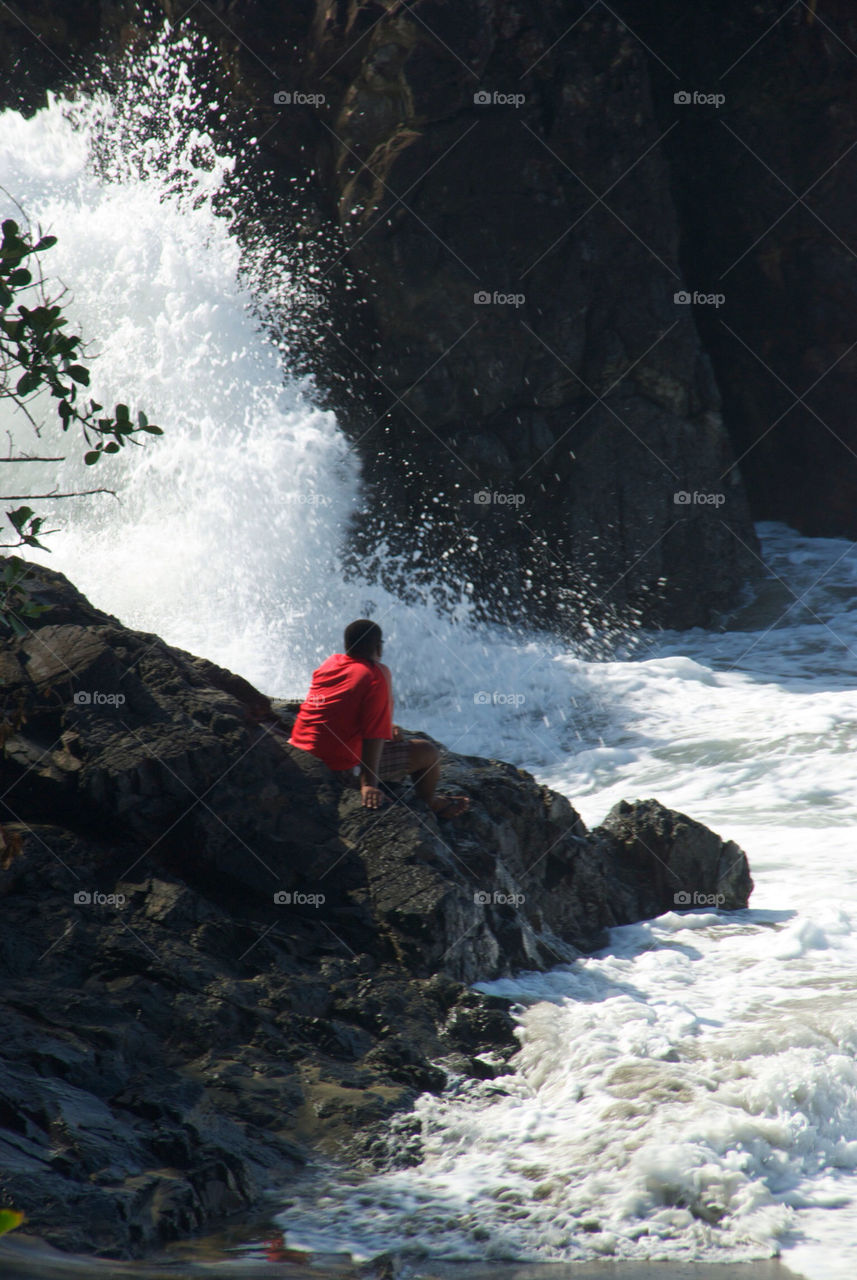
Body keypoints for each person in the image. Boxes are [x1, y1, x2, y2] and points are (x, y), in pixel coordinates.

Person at [289, 620, 469, 817]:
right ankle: (431, 803)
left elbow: (340, 710)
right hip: (337, 770)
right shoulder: (376, 674)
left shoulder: (330, 663)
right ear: (378, 647)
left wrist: (387, 728)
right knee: (428, 752)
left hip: (301, 755)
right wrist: (369, 785)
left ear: (347, 645)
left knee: (393, 739)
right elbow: (373, 736)